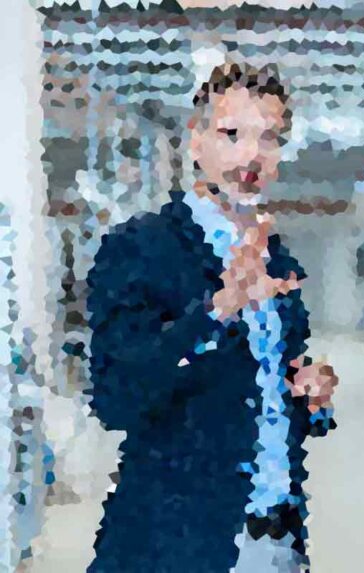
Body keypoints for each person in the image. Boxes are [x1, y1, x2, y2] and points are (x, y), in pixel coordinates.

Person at [86, 63, 338, 572]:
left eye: (269, 138)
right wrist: (217, 309)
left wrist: (309, 395)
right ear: (196, 141)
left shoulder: (276, 258)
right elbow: (117, 398)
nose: (251, 156)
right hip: (177, 539)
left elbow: (265, 387)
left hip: (275, 536)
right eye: (231, 134)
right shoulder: (141, 248)